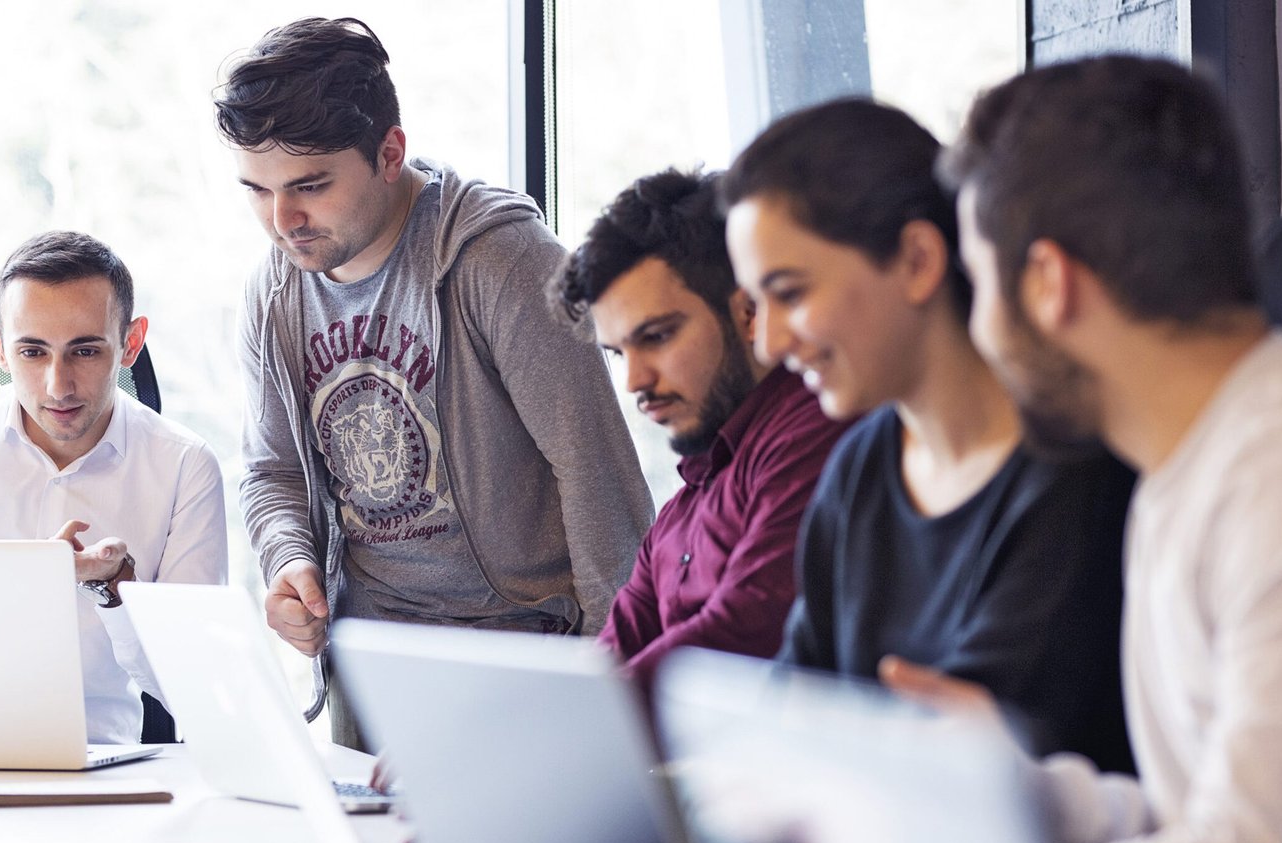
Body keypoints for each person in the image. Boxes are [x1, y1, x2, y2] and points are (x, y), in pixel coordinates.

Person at [882, 56, 1282, 843]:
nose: (978, 331)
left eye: (979, 285)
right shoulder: (1183, 469)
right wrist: (1012, 793)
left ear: (1050, 283)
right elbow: (1193, 817)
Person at [215, 17, 652, 742]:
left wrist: (622, 691)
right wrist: (289, 558)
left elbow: (597, 475)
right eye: (256, 191)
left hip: (525, 657)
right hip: (373, 662)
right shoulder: (274, 293)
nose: (281, 221)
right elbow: (271, 469)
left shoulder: (502, 262)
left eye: (310, 185)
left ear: (391, 153)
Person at [721, 98, 1135, 773]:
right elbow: (795, 709)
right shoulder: (859, 466)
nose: (769, 342)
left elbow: (963, 767)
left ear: (916, 260)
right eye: (754, 306)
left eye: (790, 294)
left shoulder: (1074, 473)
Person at [0, 230, 227, 745]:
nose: (58, 385)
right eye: (32, 351)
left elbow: (195, 689)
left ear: (131, 343)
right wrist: (22, 577)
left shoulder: (185, 465)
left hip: (95, 761)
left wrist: (115, 588)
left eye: (85, 351)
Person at [550, 168, 848, 685]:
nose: (636, 381)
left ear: (748, 312)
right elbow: (605, 667)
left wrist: (558, 731)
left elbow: (742, 635)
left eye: (658, 336)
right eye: (621, 353)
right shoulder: (681, 512)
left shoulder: (816, 431)